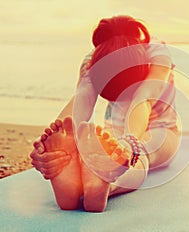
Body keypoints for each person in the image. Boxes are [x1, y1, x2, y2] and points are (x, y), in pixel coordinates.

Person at [30, 15, 180, 212]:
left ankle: (106, 181)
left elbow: (143, 99)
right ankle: (81, 181)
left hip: (160, 130)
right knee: (96, 150)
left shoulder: (158, 55)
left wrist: (128, 146)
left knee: (138, 153)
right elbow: (81, 101)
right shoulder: (94, 60)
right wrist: (49, 145)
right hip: (113, 134)